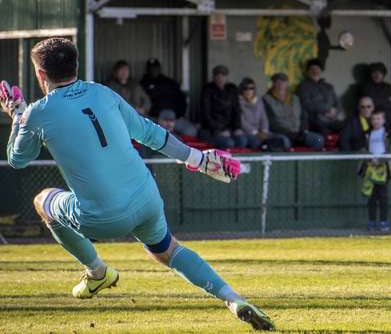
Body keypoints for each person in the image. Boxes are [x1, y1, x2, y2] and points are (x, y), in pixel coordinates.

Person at [0, 38, 274, 330]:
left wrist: (17, 115)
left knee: (43, 200)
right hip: (146, 200)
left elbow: (18, 159)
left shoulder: (37, 113)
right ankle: (233, 299)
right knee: (168, 251)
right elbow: (150, 134)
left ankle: (96, 272)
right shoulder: (103, 93)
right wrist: (198, 158)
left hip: (101, 218)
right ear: (75, 65)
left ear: (41, 74)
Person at [358, 108, 391, 232]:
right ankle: (372, 221)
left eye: (379, 118)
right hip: (370, 168)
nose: (376, 121)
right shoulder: (367, 133)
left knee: (383, 196)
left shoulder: (387, 133)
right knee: (371, 197)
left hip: (383, 168)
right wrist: (369, 158)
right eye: (373, 119)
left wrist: (380, 160)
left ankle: (383, 221)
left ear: (383, 120)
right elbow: (362, 148)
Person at [263, 72, 324, 151]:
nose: (281, 84)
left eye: (284, 81)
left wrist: (304, 130)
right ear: (273, 83)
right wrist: (287, 133)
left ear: (287, 83)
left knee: (318, 140)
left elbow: (303, 115)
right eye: (278, 82)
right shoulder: (266, 99)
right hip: (282, 134)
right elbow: (270, 122)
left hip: (299, 133)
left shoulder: (295, 98)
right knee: (282, 143)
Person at [140, 58, 196, 138]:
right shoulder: (143, 83)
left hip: (173, 117)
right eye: (151, 68)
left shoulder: (168, 82)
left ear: (159, 68)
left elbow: (181, 99)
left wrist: (178, 114)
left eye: (156, 68)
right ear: (147, 69)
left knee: (191, 131)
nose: (154, 70)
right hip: (155, 118)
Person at [199, 65, 246, 149]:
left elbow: (236, 110)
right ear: (213, 77)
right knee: (229, 143)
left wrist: (237, 128)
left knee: (242, 140)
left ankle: (237, 162)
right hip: (210, 130)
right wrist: (218, 130)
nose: (220, 78)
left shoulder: (232, 89)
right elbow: (206, 114)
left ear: (227, 77)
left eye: (223, 76)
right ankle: (222, 161)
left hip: (228, 129)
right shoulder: (207, 89)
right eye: (217, 76)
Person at [237, 78, 288, 150]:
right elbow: (242, 122)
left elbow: (263, 118)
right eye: (245, 88)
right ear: (242, 90)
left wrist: (264, 131)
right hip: (247, 133)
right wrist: (256, 133)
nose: (248, 91)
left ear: (254, 90)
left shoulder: (259, 101)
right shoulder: (238, 102)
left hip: (262, 132)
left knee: (285, 140)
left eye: (251, 88)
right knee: (258, 143)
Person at [359, 62, 391, 134]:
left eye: (380, 72)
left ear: (383, 75)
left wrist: (379, 102)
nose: (377, 75)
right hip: (373, 121)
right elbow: (370, 104)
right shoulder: (365, 88)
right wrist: (387, 101)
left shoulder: (388, 87)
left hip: (390, 119)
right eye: (374, 72)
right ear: (370, 74)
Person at [296, 58, 343, 135]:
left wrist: (335, 113)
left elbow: (338, 103)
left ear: (321, 70)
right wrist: (327, 110)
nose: (315, 71)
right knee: (325, 133)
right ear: (307, 71)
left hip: (332, 119)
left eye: (317, 68)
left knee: (349, 126)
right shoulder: (303, 86)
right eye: (312, 69)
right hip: (316, 121)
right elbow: (306, 104)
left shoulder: (329, 86)